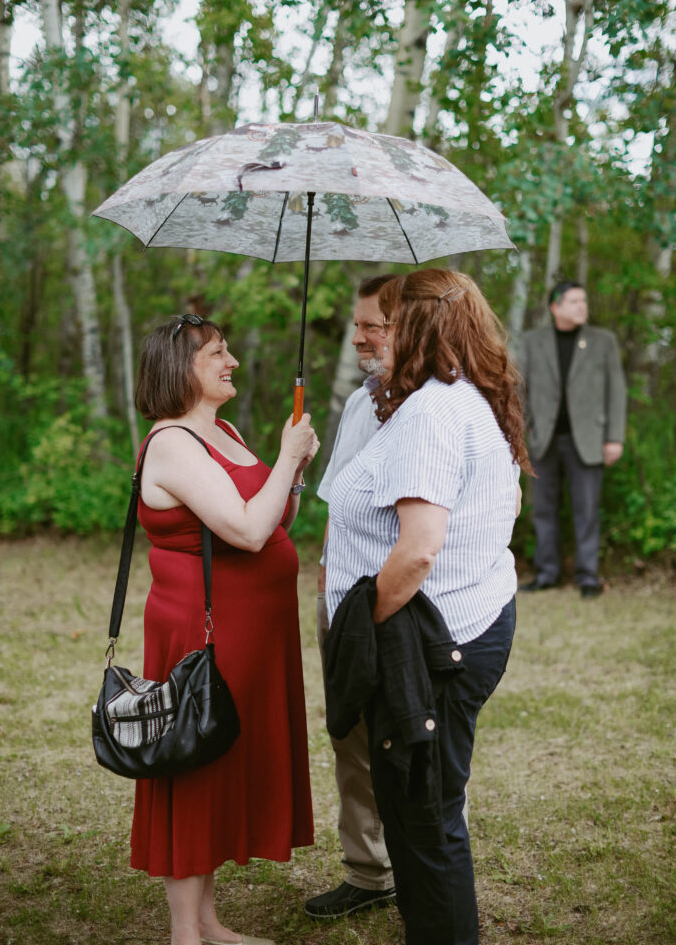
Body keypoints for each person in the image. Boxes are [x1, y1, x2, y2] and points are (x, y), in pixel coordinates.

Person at [322, 269, 528, 945]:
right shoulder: (454, 397)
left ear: (417, 326)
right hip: (459, 624)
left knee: (425, 815)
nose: (375, 332)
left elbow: (417, 551)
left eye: (387, 319)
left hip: (435, 640)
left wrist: (367, 626)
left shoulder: (434, 411)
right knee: (413, 810)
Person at [130, 313, 319, 945]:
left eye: (228, 349)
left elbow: (277, 516)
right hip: (203, 629)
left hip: (251, 629)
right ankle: (187, 933)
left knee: (226, 760)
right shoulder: (172, 443)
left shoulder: (226, 430)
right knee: (197, 762)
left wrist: (292, 471)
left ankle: (209, 921)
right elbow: (244, 529)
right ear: (180, 368)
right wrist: (287, 454)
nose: (231, 360)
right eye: (216, 352)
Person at [305, 275, 397, 920]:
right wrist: (328, 560)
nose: (360, 337)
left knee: (413, 746)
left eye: (375, 325)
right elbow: (339, 492)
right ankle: (368, 872)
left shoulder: (443, 404)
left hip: (398, 603)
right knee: (351, 738)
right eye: (357, 323)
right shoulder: (360, 402)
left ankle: (425, 877)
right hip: (341, 596)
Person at [517, 280, 626, 596]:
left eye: (584, 301)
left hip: (590, 440)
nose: (583, 306)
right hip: (544, 440)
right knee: (542, 510)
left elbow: (616, 392)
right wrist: (524, 430)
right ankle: (546, 573)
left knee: (587, 509)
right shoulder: (532, 341)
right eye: (575, 301)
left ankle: (588, 576)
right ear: (556, 307)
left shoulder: (603, 341)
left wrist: (614, 438)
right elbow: (519, 388)